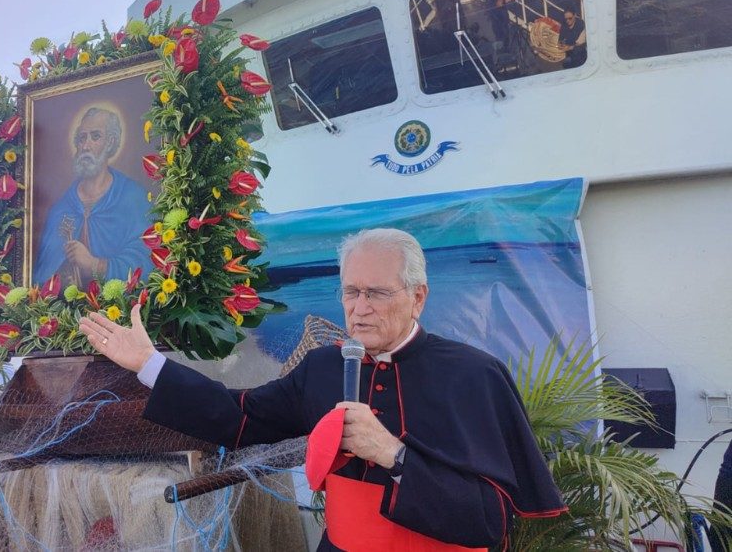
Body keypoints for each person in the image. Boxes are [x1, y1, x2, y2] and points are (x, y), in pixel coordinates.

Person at [79, 228, 566, 550]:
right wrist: (149, 364)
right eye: (351, 291)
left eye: (377, 293)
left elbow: (491, 521)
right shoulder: (324, 366)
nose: (359, 308)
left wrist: (394, 456)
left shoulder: (475, 375)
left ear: (418, 297)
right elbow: (240, 417)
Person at [33, 106, 153, 286]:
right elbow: (41, 279)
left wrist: (95, 265)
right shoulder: (59, 210)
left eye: (95, 136)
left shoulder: (133, 198)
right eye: (82, 138)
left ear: (110, 142)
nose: (85, 146)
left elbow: (148, 262)